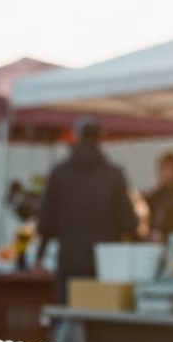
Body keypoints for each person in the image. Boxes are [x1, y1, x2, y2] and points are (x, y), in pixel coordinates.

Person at [36, 117, 138, 297]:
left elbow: (46, 221)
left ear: (77, 138)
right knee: (101, 314)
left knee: (69, 312)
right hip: (106, 261)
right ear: (100, 140)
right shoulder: (113, 175)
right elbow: (128, 221)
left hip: (70, 258)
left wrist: (40, 255)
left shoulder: (60, 173)